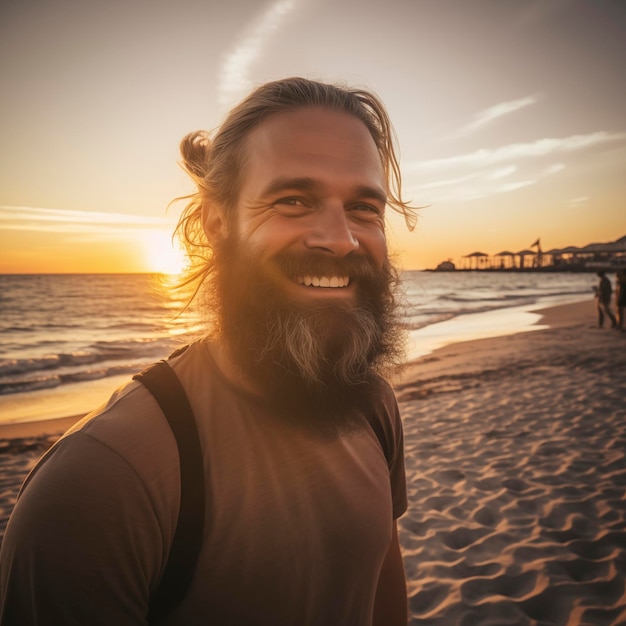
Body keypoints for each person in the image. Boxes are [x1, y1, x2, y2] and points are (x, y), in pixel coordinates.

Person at [0, 77, 417, 625]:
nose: (340, 238)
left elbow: (381, 593)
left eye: (365, 208)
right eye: (293, 200)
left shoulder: (372, 405)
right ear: (218, 222)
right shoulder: (102, 483)